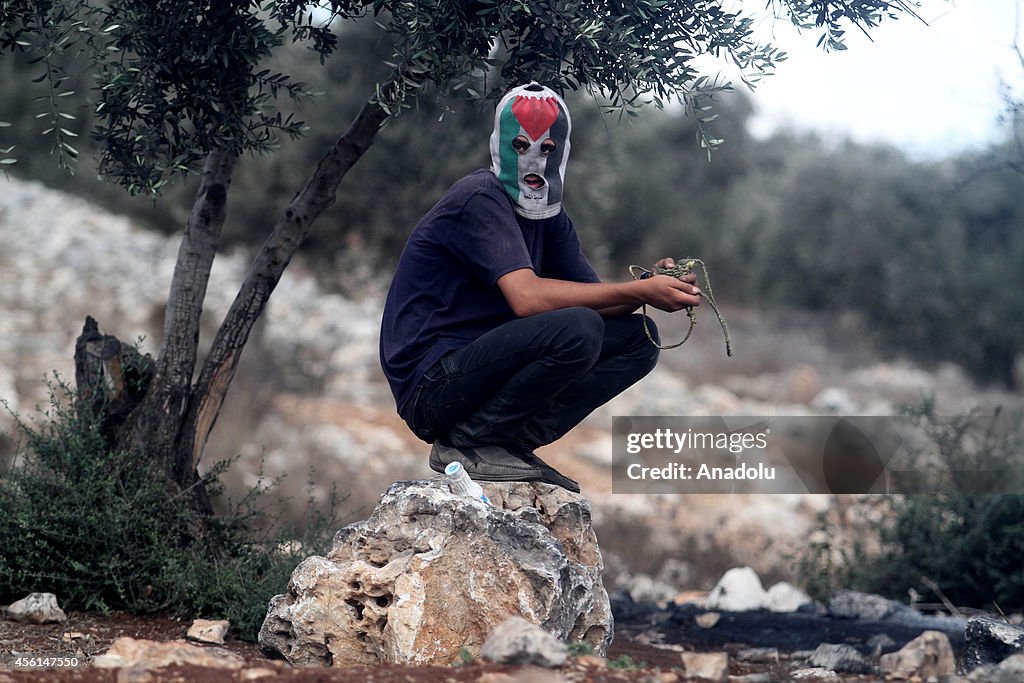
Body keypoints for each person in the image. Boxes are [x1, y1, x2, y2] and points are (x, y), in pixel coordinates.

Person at [379, 82, 701, 493]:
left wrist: (649, 284)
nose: (534, 159)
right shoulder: (480, 197)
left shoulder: (550, 216)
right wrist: (639, 292)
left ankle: (507, 441)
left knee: (639, 337)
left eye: (547, 149)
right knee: (578, 328)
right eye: (520, 145)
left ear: (562, 150)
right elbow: (527, 298)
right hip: (431, 386)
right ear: (500, 145)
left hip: (476, 371)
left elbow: (600, 305)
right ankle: (465, 442)